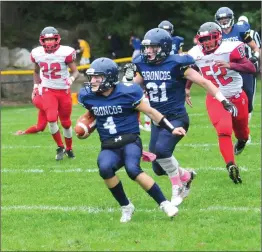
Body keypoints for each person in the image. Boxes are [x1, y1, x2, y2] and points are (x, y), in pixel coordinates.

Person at [123, 28, 237, 206]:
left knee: (162, 151)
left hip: (176, 117)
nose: (148, 52)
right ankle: (186, 175)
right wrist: (122, 85)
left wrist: (223, 99)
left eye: (153, 48)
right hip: (157, 119)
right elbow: (130, 86)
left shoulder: (177, 63)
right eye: (147, 48)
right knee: (158, 167)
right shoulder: (142, 64)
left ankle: (178, 187)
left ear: (165, 47)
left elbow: (204, 82)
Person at [78, 57, 185, 222]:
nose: (92, 81)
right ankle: (126, 206)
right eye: (92, 77)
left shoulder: (127, 92)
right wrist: (85, 131)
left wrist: (172, 128)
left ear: (109, 78)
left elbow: (151, 112)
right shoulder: (89, 97)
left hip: (130, 141)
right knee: (105, 168)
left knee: (132, 169)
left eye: (97, 77)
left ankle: (164, 203)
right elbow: (92, 118)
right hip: (108, 145)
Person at [185, 22, 256, 184]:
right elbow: (192, 70)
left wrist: (231, 65)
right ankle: (231, 165)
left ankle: (242, 141)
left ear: (218, 37)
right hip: (215, 97)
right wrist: (187, 88)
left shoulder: (231, 48)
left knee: (243, 133)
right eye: (203, 39)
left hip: (237, 95)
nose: (206, 43)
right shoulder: (194, 53)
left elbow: (251, 68)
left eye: (209, 39)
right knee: (223, 131)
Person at [30, 26, 79, 160]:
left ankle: (69, 148)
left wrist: (71, 78)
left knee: (66, 123)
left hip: (63, 90)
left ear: (57, 39)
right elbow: (35, 71)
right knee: (51, 119)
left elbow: (76, 71)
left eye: (52, 39)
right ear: (42, 41)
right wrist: (35, 86)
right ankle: (60, 146)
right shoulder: (37, 53)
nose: (49, 42)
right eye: (47, 40)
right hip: (48, 89)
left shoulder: (66, 52)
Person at [214, 7, 261, 143]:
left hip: (242, 67)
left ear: (231, 19)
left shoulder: (240, 30)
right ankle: (237, 131)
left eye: (225, 19)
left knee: (248, 102)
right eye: (221, 19)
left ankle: (245, 131)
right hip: (227, 70)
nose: (223, 22)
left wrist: (255, 57)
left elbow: (255, 47)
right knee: (227, 100)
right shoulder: (217, 33)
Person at [238, 15, 261, 143]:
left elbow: (257, 49)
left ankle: (244, 130)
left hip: (247, 68)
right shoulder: (237, 33)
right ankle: (243, 130)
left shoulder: (249, 34)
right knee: (246, 100)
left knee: (247, 100)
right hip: (242, 68)